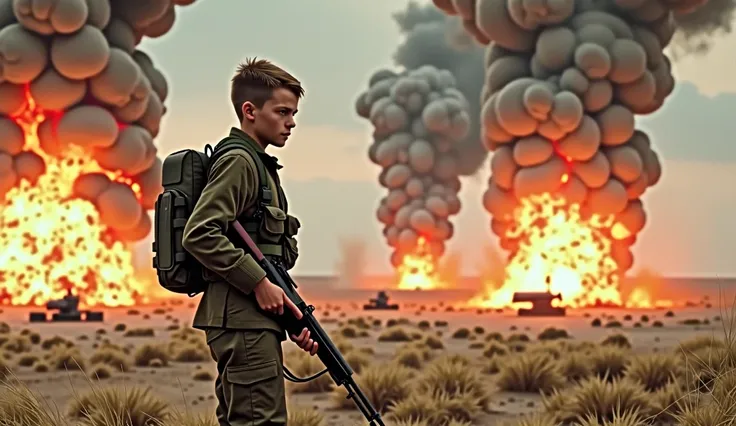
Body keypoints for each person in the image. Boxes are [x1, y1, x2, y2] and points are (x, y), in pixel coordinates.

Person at [182, 57, 318, 426]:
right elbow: (200, 232)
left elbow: (261, 251)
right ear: (250, 111)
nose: (291, 122)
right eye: (282, 111)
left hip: (250, 319)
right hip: (242, 319)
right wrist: (258, 282)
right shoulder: (240, 162)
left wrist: (292, 322)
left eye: (294, 113)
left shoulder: (259, 164)